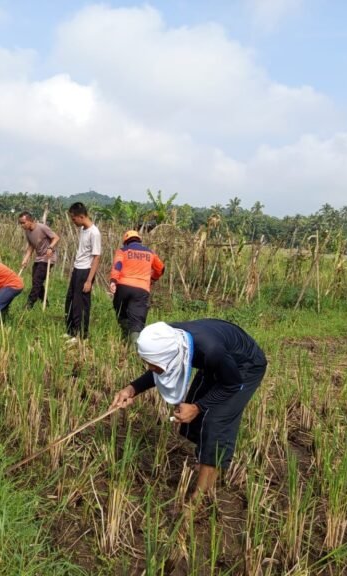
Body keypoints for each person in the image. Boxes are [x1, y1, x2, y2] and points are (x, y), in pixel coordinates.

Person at [110, 319, 266, 506]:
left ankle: (199, 497)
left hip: (244, 367)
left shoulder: (210, 351)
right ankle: (205, 462)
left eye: (152, 364)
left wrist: (197, 407)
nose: (150, 368)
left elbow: (232, 384)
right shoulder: (170, 339)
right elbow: (159, 369)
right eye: (147, 363)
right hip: (219, 360)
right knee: (195, 408)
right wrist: (131, 389)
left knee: (216, 421)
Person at [109, 230, 165, 345]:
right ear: (139, 240)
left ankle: (125, 336)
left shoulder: (123, 251)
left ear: (126, 242)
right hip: (141, 289)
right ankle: (134, 348)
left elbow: (117, 266)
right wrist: (152, 278)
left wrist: (113, 281)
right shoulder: (150, 253)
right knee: (137, 320)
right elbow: (161, 268)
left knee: (121, 312)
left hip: (123, 286)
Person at [64, 202, 101, 341]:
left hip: (85, 271)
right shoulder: (83, 229)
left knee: (81, 304)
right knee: (71, 300)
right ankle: (71, 331)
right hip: (77, 268)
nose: (73, 222)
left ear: (81, 216)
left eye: (74, 219)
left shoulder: (94, 233)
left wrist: (89, 280)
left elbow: (97, 257)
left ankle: (81, 335)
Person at [18, 211, 60, 309]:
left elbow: (56, 238)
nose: (22, 225)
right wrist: (25, 259)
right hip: (39, 258)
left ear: (30, 221)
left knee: (37, 280)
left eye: (23, 223)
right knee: (36, 281)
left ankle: (29, 304)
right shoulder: (27, 232)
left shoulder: (42, 227)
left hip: (48, 258)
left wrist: (50, 247)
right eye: (20, 223)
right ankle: (45, 302)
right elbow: (31, 246)